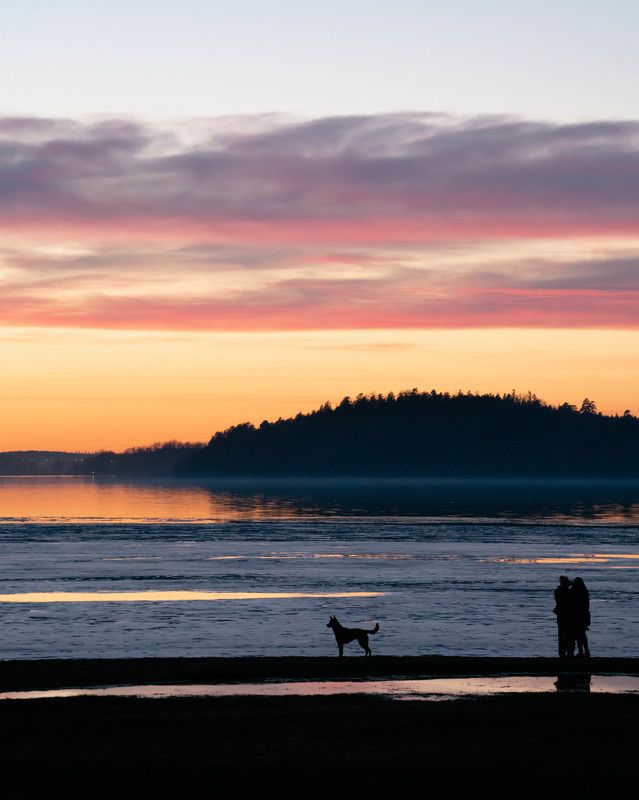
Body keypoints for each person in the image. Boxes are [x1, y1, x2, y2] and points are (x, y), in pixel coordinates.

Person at [568, 577, 591, 657]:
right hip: (584, 615)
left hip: (577, 616)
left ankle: (581, 652)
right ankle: (586, 651)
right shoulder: (584, 591)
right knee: (582, 635)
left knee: (578, 635)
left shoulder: (575, 591)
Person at [553, 575, 573, 657]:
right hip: (565, 615)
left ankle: (562, 652)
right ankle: (566, 652)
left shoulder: (558, 590)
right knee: (566, 634)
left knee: (562, 634)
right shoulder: (564, 591)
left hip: (561, 614)